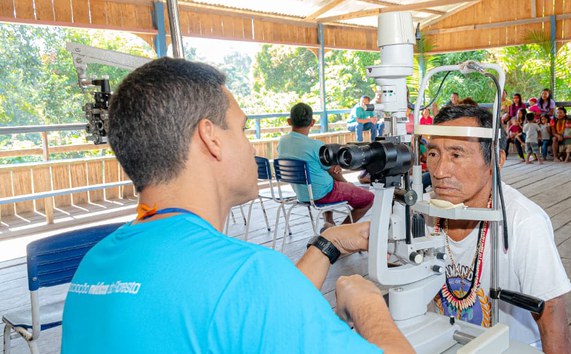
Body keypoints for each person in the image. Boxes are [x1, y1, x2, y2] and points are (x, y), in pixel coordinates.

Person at [61, 58, 414, 354]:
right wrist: (368, 306)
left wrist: (329, 242)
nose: (250, 148)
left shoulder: (94, 264)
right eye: (243, 130)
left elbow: (242, 312)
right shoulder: (248, 274)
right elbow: (246, 295)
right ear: (211, 138)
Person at [425, 104, 571, 353]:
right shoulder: (423, 210)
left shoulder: (524, 222)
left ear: (497, 159)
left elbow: (552, 320)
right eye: (433, 154)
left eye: (456, 155)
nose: (439, 171)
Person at [279, 103, 375, 227]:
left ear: (289, 121)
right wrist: (346, 183)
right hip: (323, 193)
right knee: (368, 198)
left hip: (302, 193)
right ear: (313, 122)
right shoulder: (315, 146)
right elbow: (333, 172)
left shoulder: (282, 142)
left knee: (322, 172)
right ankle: (338, 232)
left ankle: (328, 222)